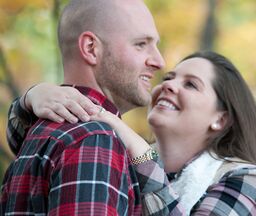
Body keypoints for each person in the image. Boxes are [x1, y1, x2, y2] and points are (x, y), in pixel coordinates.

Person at [4, 51, 256, 215]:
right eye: (168, 78)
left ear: (220, 119)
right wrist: (31, 97)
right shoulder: (118, 154)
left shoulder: (250, 183)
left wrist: (138, 149)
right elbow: (36, 148)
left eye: (191, 85)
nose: (168, 85)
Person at [0, 0, 165, 215]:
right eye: (141, 44)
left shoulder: (37, 133)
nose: (159, 61)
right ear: (91, 48)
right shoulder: (94, 138)